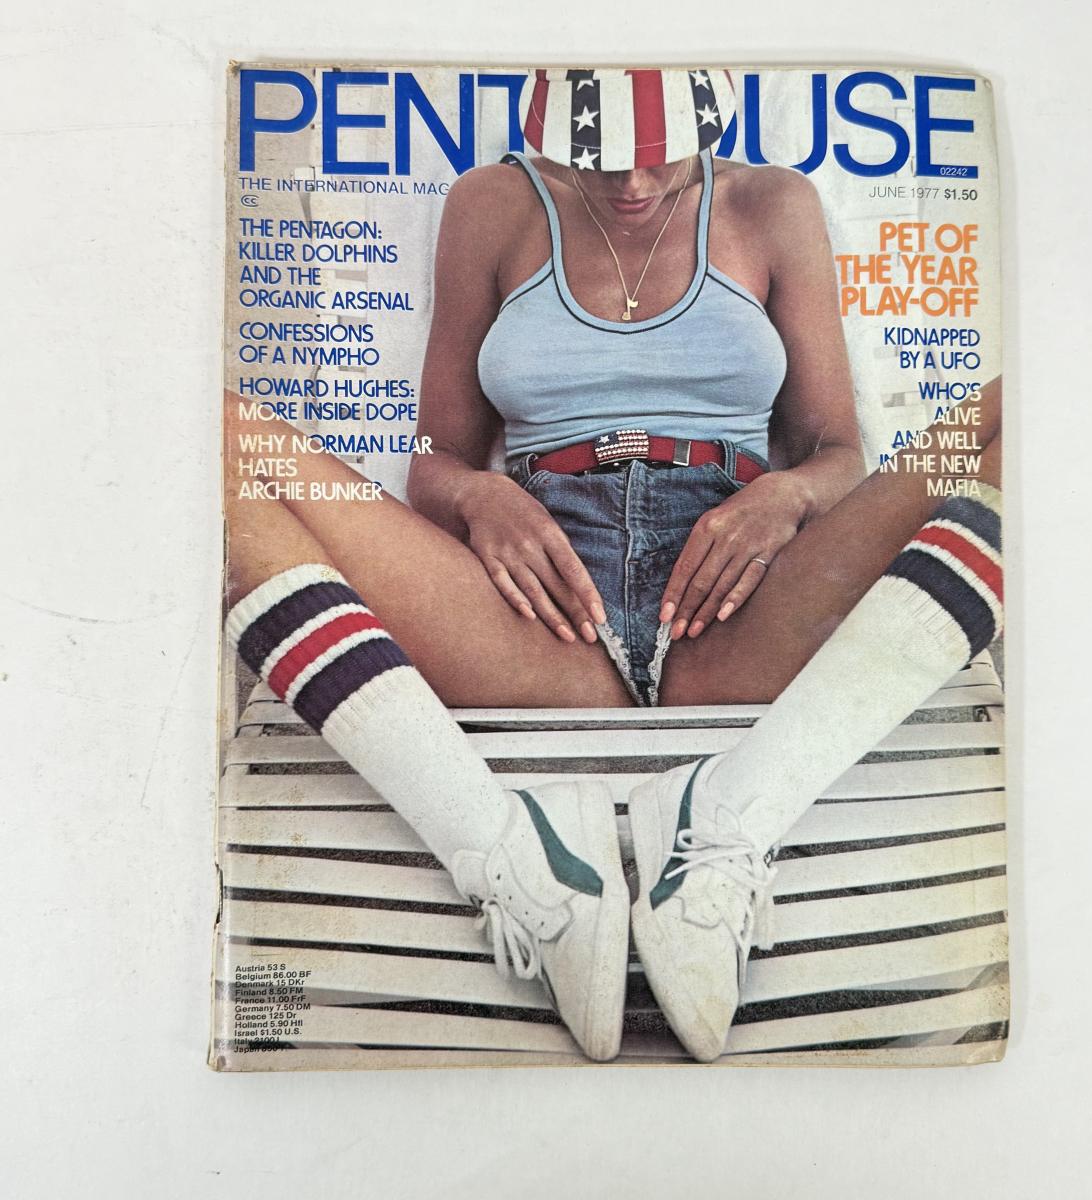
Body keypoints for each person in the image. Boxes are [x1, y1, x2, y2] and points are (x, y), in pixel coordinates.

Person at [224, 68, 1003, 1062]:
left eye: (660, 157)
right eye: (597, 161)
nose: (633, 183)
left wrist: (786, 498)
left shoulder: (774, 204)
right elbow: (434, 458)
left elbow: (838, 450)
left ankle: (733, 809)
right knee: (224, 435)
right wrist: (478, 496)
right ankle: (514, 856)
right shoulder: (491, 203)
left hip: (735, 598)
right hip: (545, 605)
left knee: (1018, 411)